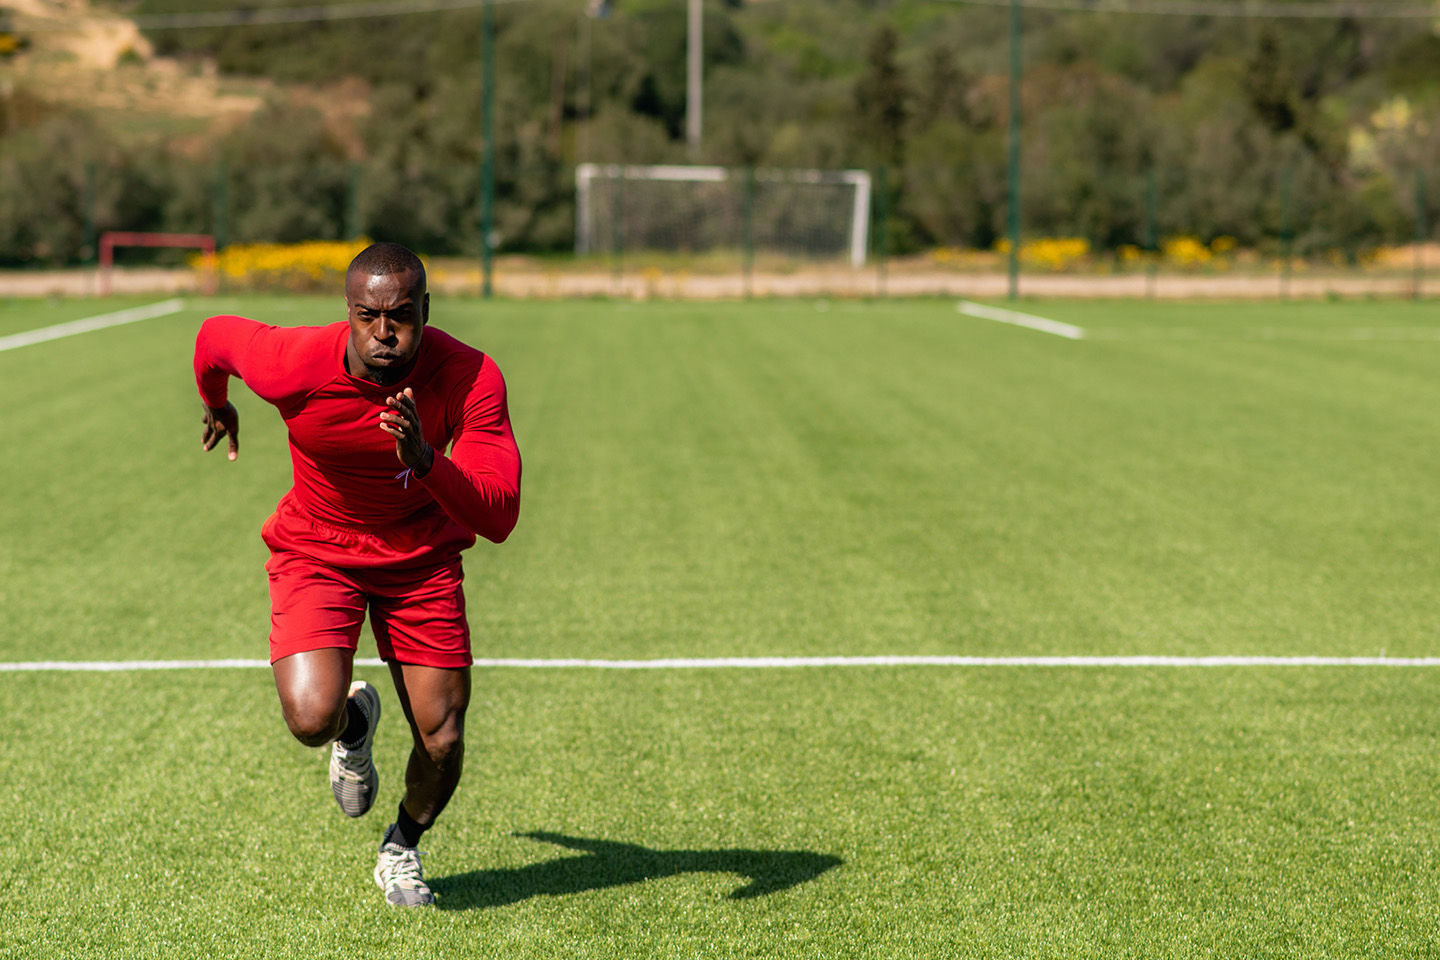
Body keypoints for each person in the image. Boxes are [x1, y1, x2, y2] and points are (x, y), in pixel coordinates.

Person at [193, 242, 521, 907]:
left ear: (425, 310)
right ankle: (352, 726)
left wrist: (426, 459)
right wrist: (218, 403)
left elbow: (500, 513)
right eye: (368, 315)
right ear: (347, 311)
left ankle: (401, 847)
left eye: (401, 315)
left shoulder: (470, 377)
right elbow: (212, 340)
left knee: (443, 738)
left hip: (421, 561)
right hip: (318, 548)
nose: (384, 333)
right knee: (311, 718)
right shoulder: (292, 364)